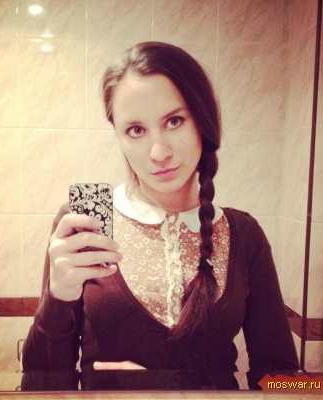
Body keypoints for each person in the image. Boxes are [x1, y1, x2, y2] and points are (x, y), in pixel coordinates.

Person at [21, 41, 299, 391]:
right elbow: (40, 383)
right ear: (119, 136)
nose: (158, 152)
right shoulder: (83, 226)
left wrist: (311, 391)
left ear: (203, 120)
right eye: (136, 130)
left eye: (174, 121)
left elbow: (281, 376)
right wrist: (58, 296)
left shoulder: (244, 234)